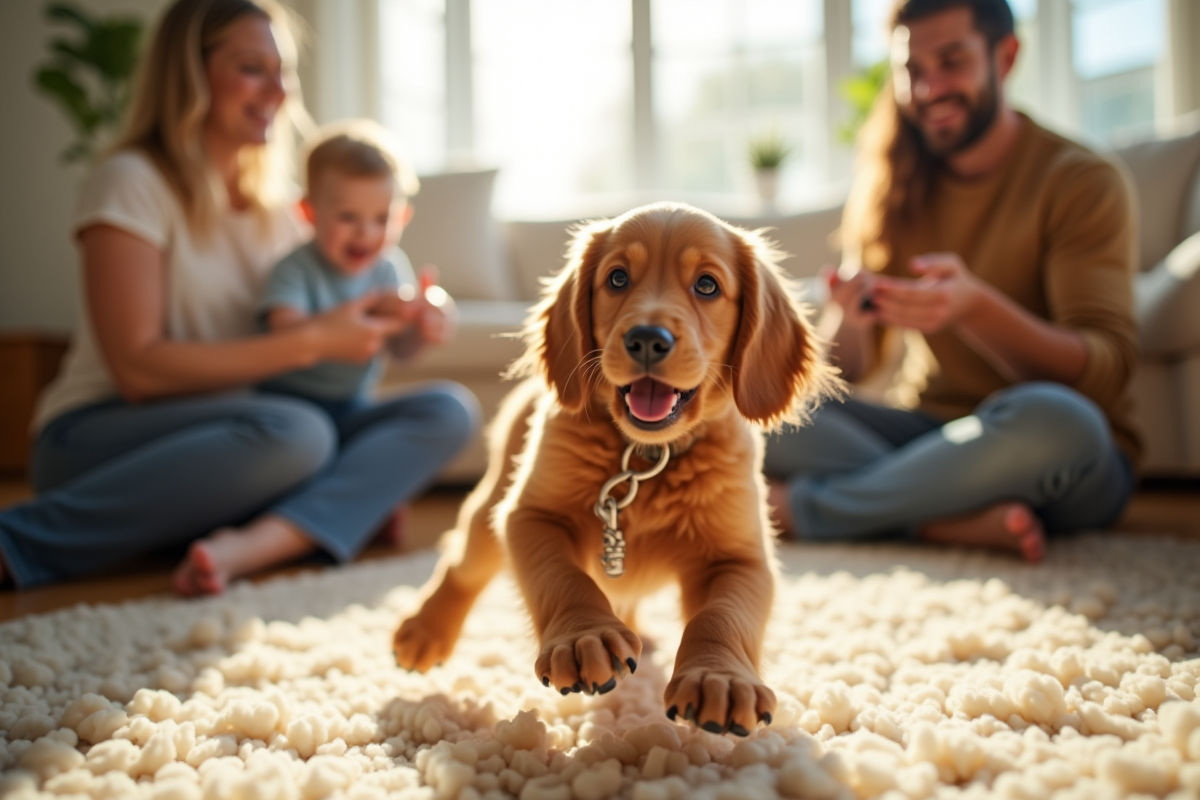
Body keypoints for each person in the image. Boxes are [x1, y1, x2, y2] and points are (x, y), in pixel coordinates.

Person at [0, 0, 478, 593]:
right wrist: (312, 341)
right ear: (190, 75)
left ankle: (261, 538)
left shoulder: (281, 211)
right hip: (102, 432)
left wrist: (407, 320)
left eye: (285, 71)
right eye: (253, 68)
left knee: (445, 410)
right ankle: (19, 541)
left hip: (245, 432)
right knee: (298, 434)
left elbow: (343, 323)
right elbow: (137, 370)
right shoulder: (131, 182)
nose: (278, 91)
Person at [763, 0, 1140, 562]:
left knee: (1062, 420)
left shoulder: (1080, 181)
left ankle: (811, 510)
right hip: (931, 436)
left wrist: (974, 310)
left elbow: (1102, 376)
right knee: (752, 403)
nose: (929, 88)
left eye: (952, 62)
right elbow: (849, 375)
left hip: (1053, 453)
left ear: (1005, 57)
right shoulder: (894, 184)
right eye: (913, 70)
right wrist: (850, 318)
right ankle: (937, 517)